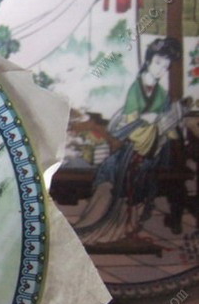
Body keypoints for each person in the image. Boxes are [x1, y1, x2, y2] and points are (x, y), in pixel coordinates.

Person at [75, 37, 183, 244]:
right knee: (114, 171)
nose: (161, 69)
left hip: (151, 146)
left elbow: (167, 123)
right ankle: (105, 222)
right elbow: (130, 120)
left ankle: (129, 225)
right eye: (158, 63)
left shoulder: (162, 93)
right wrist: (147, 120)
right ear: (149, 60)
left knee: (144, 170)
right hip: (134, 142)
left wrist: (168, 126)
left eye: (165, 66)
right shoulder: (136, 87)